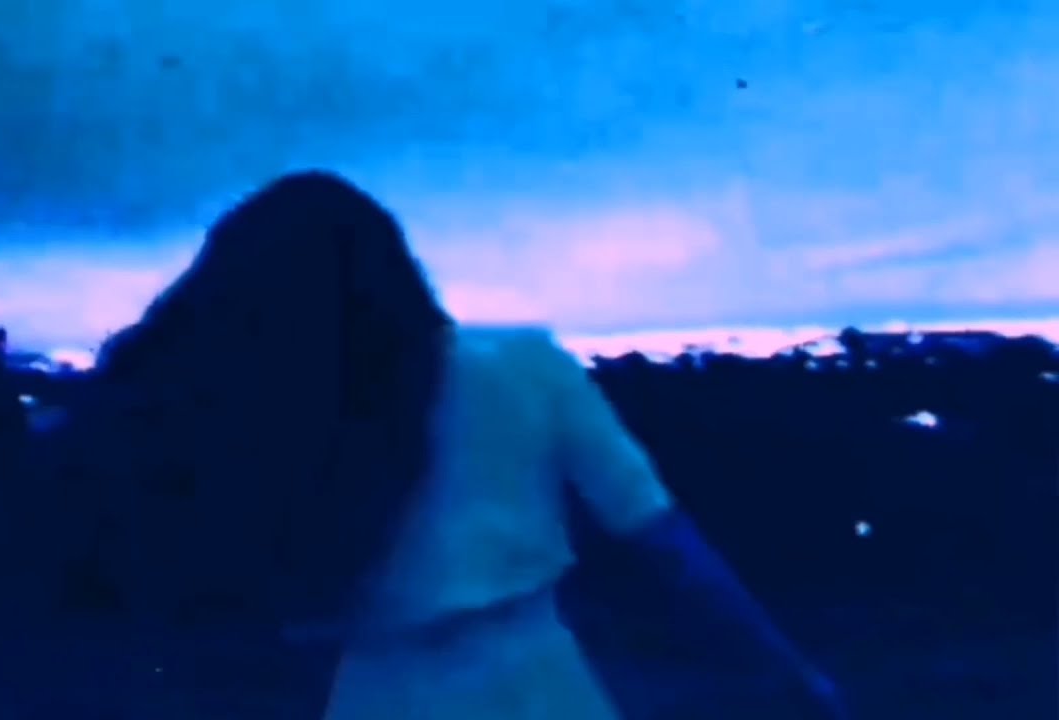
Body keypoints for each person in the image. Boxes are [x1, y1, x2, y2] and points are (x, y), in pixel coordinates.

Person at [96, 169, 847, 719]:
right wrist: (790, 673)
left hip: (375, 694)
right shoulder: (523, 364)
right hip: (532, 686)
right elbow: (662, 540)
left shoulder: (291, 415)